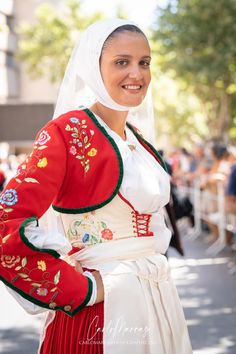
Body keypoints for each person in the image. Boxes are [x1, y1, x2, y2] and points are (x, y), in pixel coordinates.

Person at [0, 19, 192, 354]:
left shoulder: (139, 142)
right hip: (103, 311)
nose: (137, 73)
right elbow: (6, 222)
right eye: (122, 62)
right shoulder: (67, 132)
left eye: (144, 62)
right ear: (94, 67)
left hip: (157, 298)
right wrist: (83, 289)